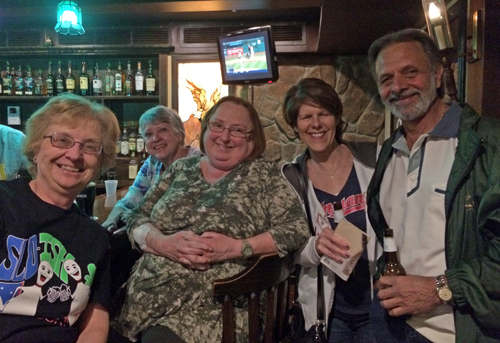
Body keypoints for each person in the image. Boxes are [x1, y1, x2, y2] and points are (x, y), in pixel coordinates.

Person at [111, 96, 310, 343]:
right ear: (206, 130)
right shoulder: (181, 169)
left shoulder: (265, 175)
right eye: (217, 126)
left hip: (218, 307)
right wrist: (163, 243)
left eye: (237, 130)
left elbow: (296, 229)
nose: (224, 137)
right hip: (141, 302)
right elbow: (135, 215)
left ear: (252, 139)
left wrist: (237, 248)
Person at [366, 28, 500, 343]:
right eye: (386, 80)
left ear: (438, 74)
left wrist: (439, 288)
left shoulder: (488, 144)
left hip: (460, 332)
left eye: (410, 72)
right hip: (392, 325)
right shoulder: (389, 150)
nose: (397, 86)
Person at [0, 94, 120, 342]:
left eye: (89, 146)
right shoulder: (4, 202)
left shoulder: (95, 237)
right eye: (61, 140)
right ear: (35, 147)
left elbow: (95, 321)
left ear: (99, 163)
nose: (74, 155)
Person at [281, 78, 379, 343]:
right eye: (306, 117)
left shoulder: (375, 159)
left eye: (323, 113)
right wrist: (315, 246)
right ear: (295, 125)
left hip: (379, 305)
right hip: (328, 313)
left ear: (336, 117)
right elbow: (288, 250)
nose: (316, 124)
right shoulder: (291, 178)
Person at [102, 106, 200, 231]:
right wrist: (111, 220)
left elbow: (176, 217)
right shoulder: (153, 163)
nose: (155, 138)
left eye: (163, 130)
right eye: (149, 134)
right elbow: (128, 202)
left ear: (180, 135)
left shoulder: (198, 163)